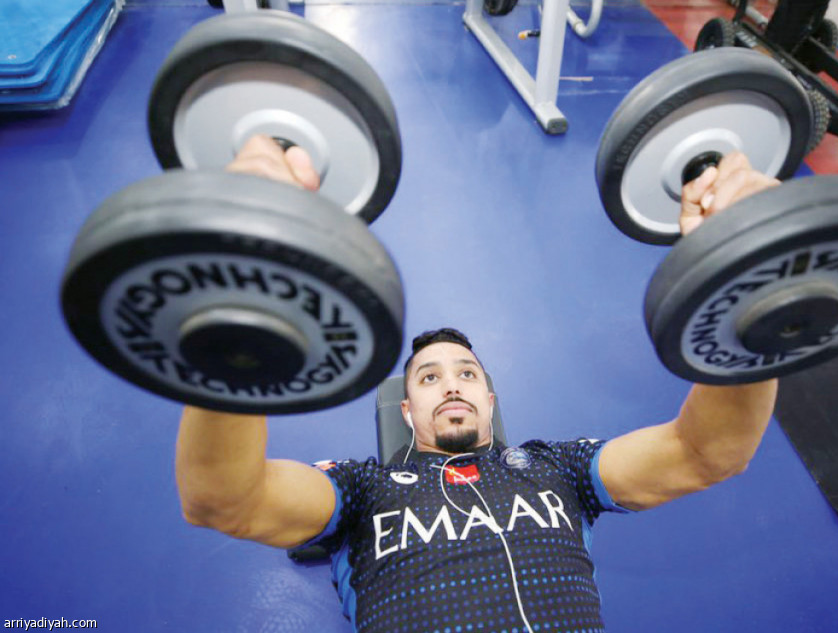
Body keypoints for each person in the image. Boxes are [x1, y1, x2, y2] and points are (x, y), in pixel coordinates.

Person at [176, 135, 780, 632]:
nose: (451, 386)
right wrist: (242, 303)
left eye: (467, 374)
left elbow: (707, 452)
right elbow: (223, 498)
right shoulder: (362, 490)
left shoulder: (561, 468)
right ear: (406, 410)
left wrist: (746, 281)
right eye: (429, 377)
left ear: (490, 401)